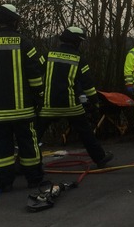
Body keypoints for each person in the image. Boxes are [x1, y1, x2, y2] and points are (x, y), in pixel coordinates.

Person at [0, 4, 45, 194]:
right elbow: (35, 73)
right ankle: (34, 179)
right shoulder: (24, 42)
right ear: (14, 20)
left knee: (2, 146)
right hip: (22, 107)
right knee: (28, 144)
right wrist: (39, 94)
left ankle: (4, 182)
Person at [35, 26, 113, 169]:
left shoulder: (47, 55)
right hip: (71, 106)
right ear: (77, 42)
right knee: (86, 133)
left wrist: (37, 95)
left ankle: (24, 163)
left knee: (35, 134)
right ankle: (100, 158)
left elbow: (34, 72)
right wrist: (95, 104)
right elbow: (88, 86)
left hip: (48, 106)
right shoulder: (79, 60)